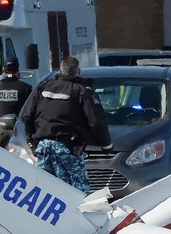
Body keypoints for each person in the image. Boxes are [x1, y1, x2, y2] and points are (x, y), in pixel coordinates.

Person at [23, 56, 112, 192]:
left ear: (61, 71)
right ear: (78, 72)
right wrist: (106, 145)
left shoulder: (44, 86)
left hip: (44, 146)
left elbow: (27, 116)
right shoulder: (81, 90)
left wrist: (32, 141)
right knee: (78, 192)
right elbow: (95, 121)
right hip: (67, 148)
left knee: (45, 190)